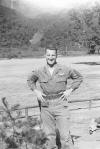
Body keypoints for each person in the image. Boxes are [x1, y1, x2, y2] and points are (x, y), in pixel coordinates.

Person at [27, 45, 83, 149]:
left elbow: (79, 77)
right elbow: (30, 80)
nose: (51, 57)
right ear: (45, 55)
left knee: (65, 136)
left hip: (61, 103)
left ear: (57, 56)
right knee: (49, 137)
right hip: (45, 105)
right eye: (48, 55)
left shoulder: (65, 69)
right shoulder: (39, 70)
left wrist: (70, 89)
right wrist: (36, 91)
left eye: (53, 55)